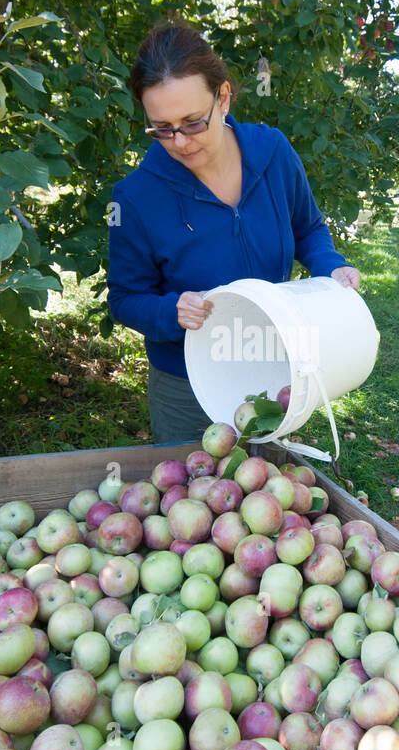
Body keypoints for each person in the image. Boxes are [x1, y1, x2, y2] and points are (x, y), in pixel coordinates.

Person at [107, 22, 363, 445]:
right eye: (161, 128)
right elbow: (124, 299)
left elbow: (309, 229)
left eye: (192, 123)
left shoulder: (273, 152)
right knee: (192, 493)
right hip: (190, 387)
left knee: (272, 493)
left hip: (279, 365)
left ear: (223, 98)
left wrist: (332, 267)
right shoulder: (135, 197)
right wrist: (171, 311)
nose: (180, 142)